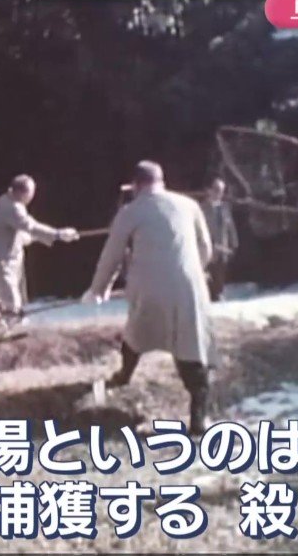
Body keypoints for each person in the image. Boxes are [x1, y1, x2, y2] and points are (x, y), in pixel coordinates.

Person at [82, 161, 218, 436]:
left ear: (136, 185)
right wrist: (193, 270)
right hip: (188, 287)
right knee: (190, 348)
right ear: (162, 181)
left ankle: (123, 375)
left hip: (148, 287)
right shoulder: (189, 205)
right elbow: (206, 248)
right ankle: (198, 419)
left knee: (136, 334)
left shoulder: (130, 212)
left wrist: (98, 289)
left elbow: (112, 255)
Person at [0, 175, 78, 348]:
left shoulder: (4, 203)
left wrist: (45, 237)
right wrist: (58, 234)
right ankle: (11, 345)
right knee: (12, 306)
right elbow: (30, 226)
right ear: (26, 193)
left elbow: (21, 235)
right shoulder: (12, 207)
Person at [199, 178, 238, 301]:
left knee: (221, 271)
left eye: (221, 191)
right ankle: (210, 295)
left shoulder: (225, 207)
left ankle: (219, 293)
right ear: (209, 190)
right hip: (208, 247)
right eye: (216, 190)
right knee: (210, 272)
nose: (219, 193)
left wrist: (234, 242)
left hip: (224, 246)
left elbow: (230, 226)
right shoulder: (202, 209)